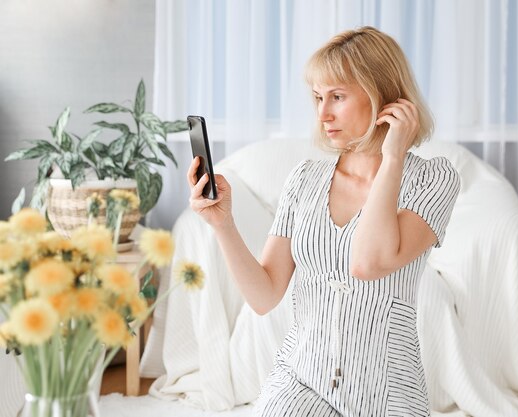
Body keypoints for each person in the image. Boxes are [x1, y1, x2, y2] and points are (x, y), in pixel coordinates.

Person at [187, 26, 460, 417]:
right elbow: (264, 297)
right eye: (318, 97)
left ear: (381, 95)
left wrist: (393, 157)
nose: (323, 113)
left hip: (386, 391)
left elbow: (369, 263)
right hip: (300, 378)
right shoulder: (305, 178)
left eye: (337, 96)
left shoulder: (433, 179)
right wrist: (222, 223)